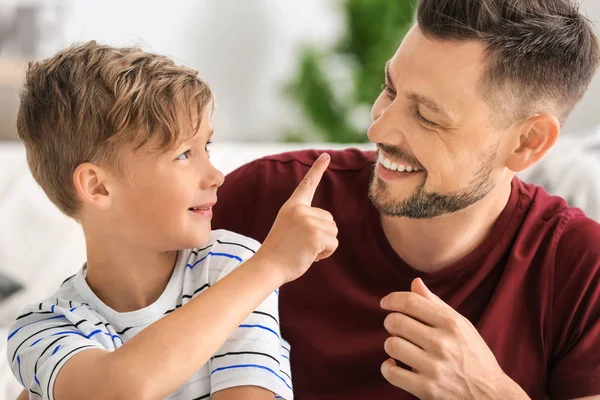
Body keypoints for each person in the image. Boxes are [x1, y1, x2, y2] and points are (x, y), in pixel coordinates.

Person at [212, 0, 600, 399]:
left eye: (428, 117)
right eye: (390, 89)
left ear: (527, 143)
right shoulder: (268, 200)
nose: (379, 130)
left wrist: (488, 392)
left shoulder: (581, 270)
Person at [8, 41, 338, 400]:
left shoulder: (234, 268)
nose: (216, 176)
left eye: (206, 148)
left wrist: (261, 269)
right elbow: (118, 390)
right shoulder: (43, 329)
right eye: (183, 154)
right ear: (98, 186)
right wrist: (272, 265)